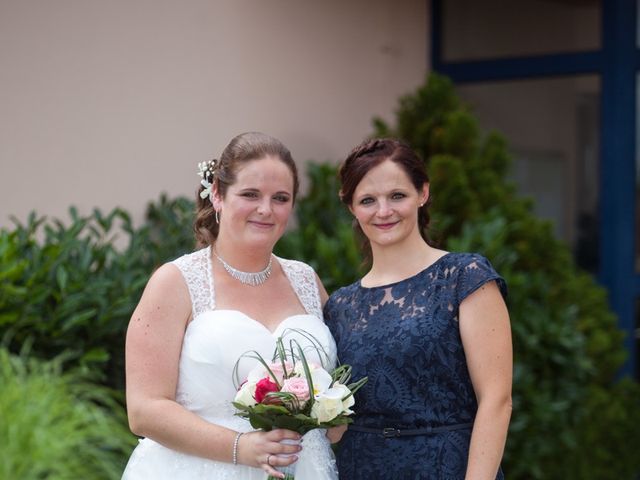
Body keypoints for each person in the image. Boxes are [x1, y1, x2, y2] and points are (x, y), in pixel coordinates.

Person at [122, 132, 341, 479]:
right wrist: (241, 446)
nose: (266, 209)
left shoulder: (306, 281)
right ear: (218, 195)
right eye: (250, 194)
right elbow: (144, 410)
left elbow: (339, 381)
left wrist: (335, 417)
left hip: (304, 467)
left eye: (280, 198)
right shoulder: (175, 282)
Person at [324, 138, 512, 479]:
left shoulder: (464, 278)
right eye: (368, 200)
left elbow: (497, 401)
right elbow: (338, 421)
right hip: (359, 468)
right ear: (351, 206)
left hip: (446, 468)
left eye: (397, 195)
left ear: (422, 193)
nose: (383, 211)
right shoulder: (340, 305)